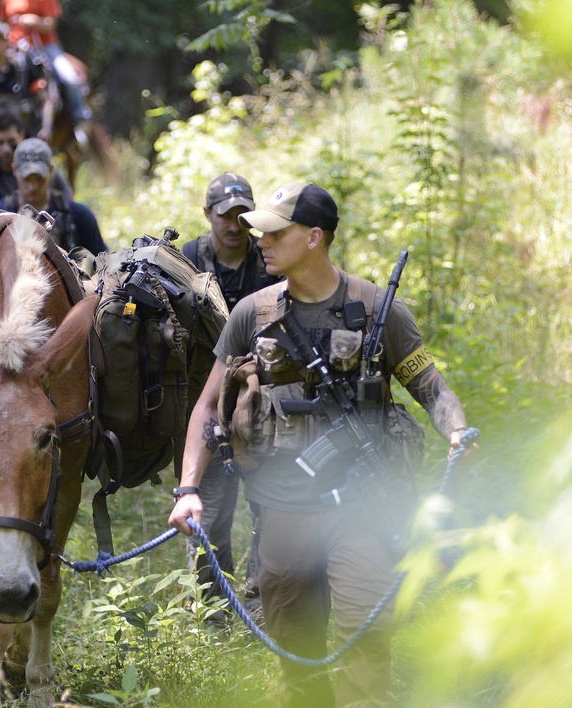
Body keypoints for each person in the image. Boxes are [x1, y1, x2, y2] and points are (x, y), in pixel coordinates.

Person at [168, 181, 471, 706]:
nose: (255, 237)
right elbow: (204, 409)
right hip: (283, 513)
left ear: (313, 238)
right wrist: (188, 488)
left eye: (272, 231)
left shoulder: (378, 309)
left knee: (366, 645)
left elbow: (432, 387)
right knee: (298, 659)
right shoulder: (252, 314)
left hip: (362, 511)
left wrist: (457, 431)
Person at [181, 173, 281, 621]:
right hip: (206, 403)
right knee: (212, 511)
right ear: (208, 215)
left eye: (243, 215)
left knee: (270, 505)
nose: (235, 225)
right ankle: (212, 607)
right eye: (225, 215)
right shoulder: (186, 263)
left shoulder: (270, 259)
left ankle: (262, 603)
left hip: (264, 404)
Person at [0, 0, 92, 145]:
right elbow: (0, 24)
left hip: (45, 47)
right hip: (13, 49)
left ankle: (81, 121)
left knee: (70, 79)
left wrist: (35, 21)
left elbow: (50, 26)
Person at [0, 137, 106, 254]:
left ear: (50, 171)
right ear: (14, 170)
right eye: (27, 179)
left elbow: (103, 265)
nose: (33, 186)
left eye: (39, 179)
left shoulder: (79, 217)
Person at [0, 109, 70, 213]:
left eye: (11, 141)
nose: (6, 149)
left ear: (21, 135)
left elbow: (70, 209)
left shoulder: (49, 176)